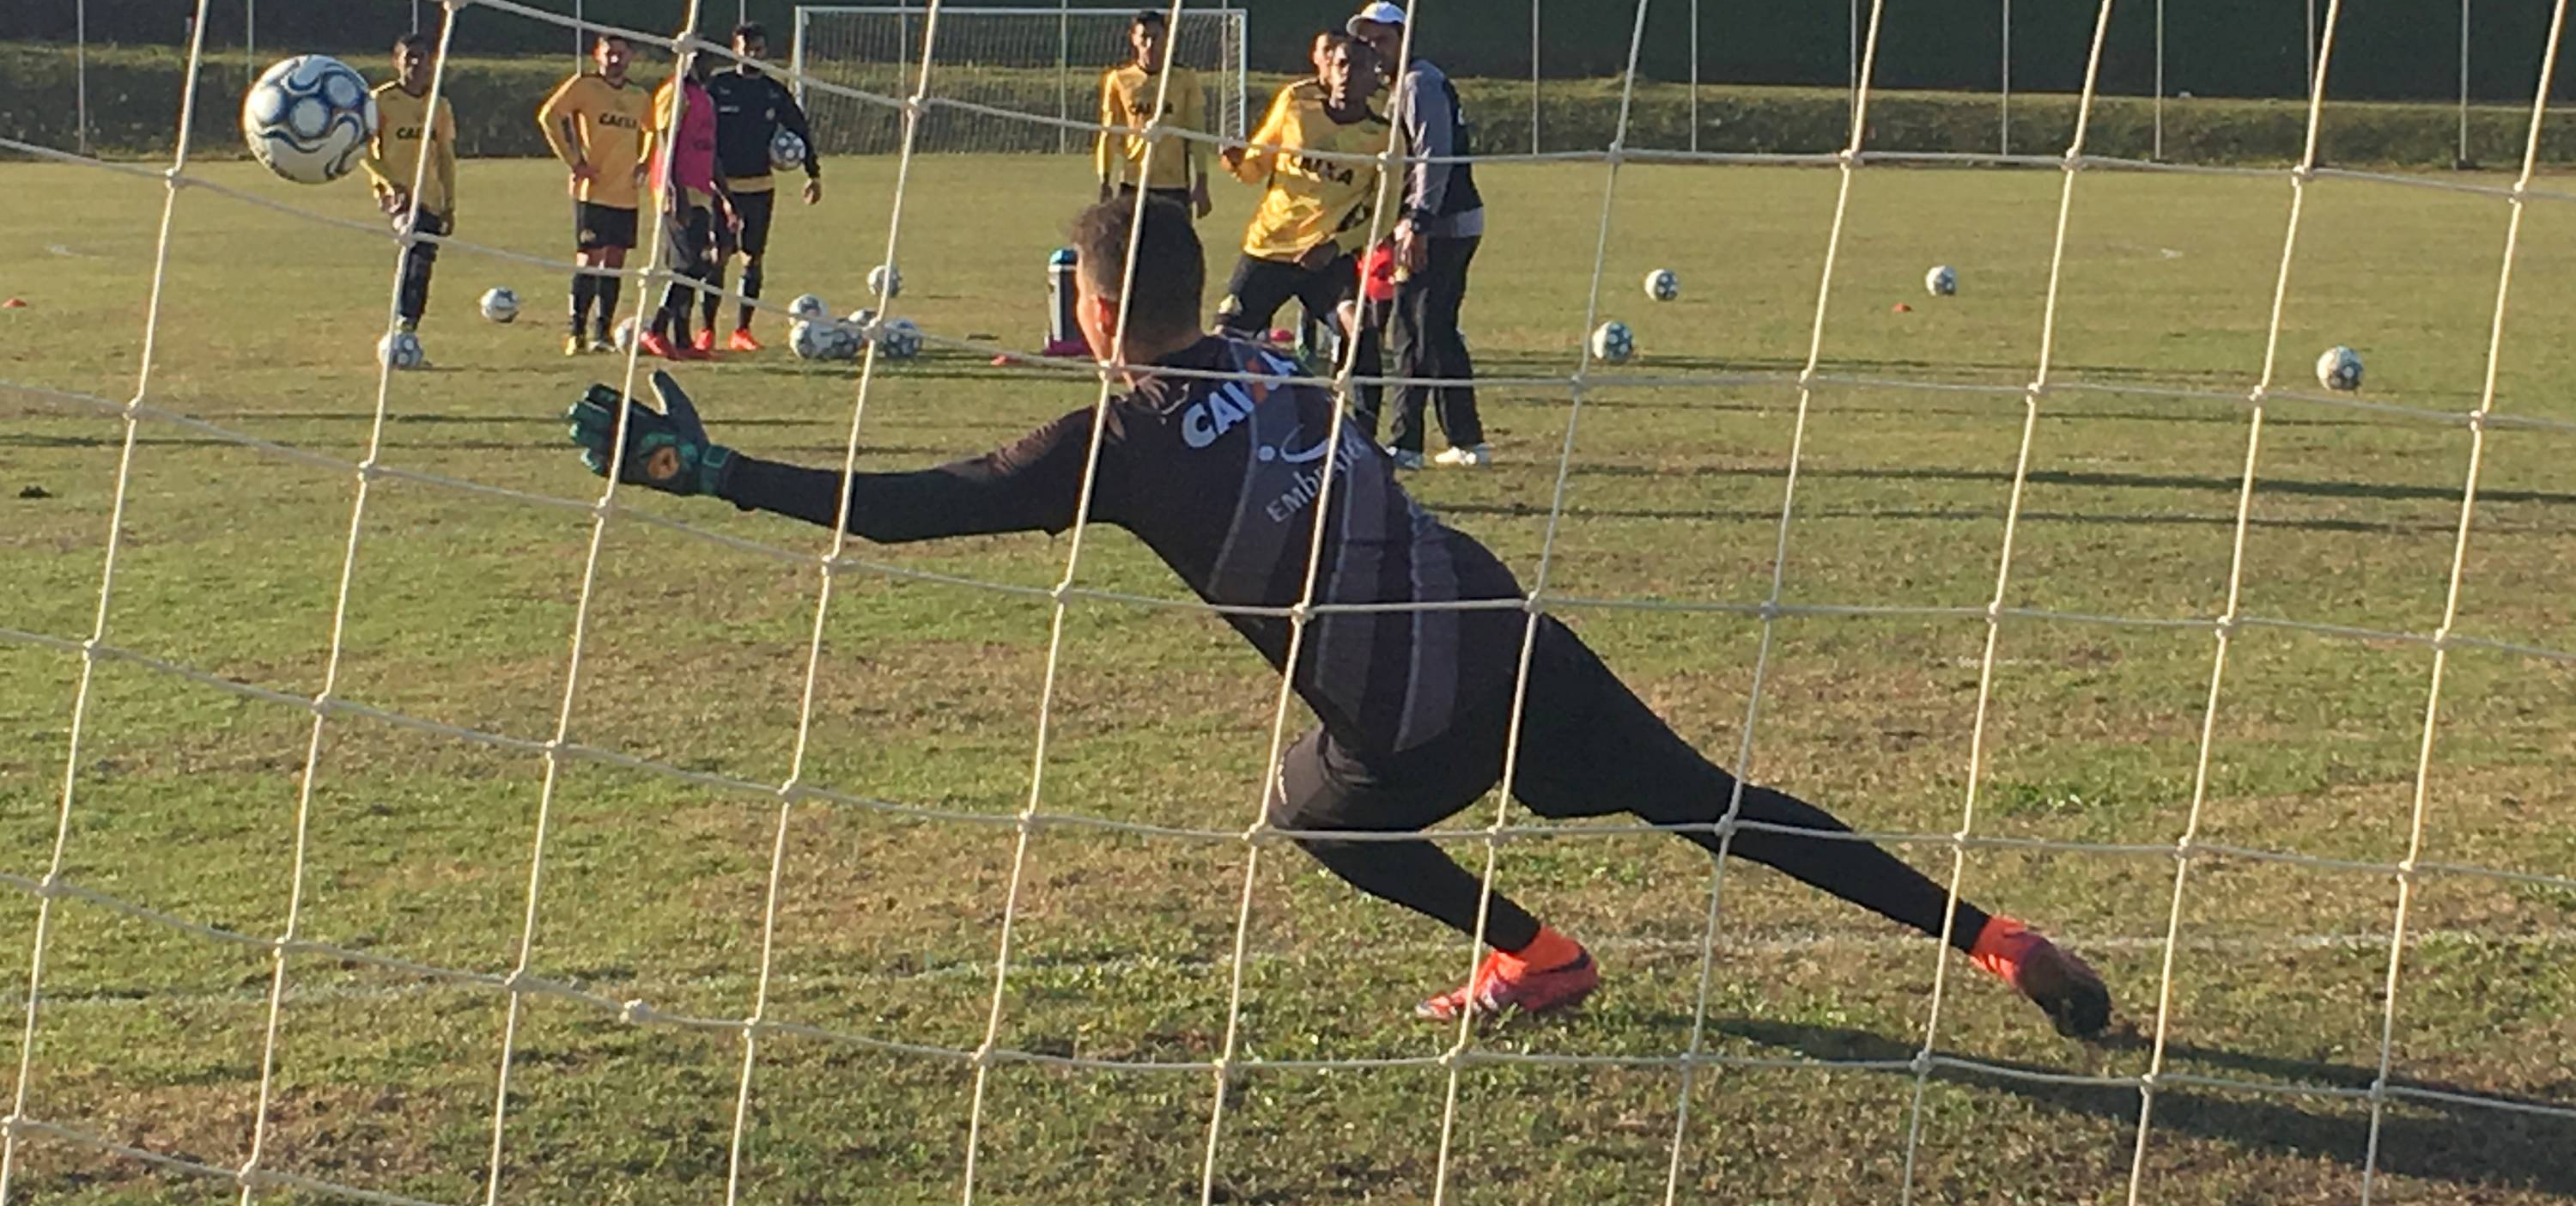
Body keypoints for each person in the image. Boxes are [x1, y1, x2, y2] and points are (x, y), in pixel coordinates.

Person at [562, 197, 2111, 1037]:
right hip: (1509, 634)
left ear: (1090, 313)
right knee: (1717, 803)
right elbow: (1280, 312)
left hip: (1409, 723)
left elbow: (911, 506)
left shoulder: (1114, 438)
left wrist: (717, 475)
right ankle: (1997, 939)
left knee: (1311, 810)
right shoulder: (1271, 356)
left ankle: (1538, 953)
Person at [1216, 31, 1390, 433]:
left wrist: (1337, 246)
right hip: (1269, 248)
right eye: (1341, 64)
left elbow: (1385, 212)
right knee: (1224, 342)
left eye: (1358, 67)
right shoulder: (1295, 104)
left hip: (1325, 259)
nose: (1347, 74)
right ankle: (1223, 436)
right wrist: (1236, 160)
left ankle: (1363, 436)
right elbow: (1255, 168)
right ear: (1328, 69)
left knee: (1360, 331)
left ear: (1374, 78)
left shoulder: (1384, 137)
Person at [1348, 0, 1488, 471]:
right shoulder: (1398, 86)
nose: (1374, 48)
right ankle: (1467, 440)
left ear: (1404, 39)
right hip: (1438, 223)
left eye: (1382, 39)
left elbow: (1433, 155)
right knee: (1437, 331)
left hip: (1442, 226)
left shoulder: (1417, 82)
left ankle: (1405, 444)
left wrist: (1418, 221)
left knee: (1413, 330)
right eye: (1366, 40)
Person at [702, 21, 822, 352]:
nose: (752, 55)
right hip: (722, 187)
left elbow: (801, 130)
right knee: (719, 256)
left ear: (766, 51)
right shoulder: (718, 86)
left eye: (758, 49)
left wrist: (813, 174)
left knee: (753, 258)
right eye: (746, 49)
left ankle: (742, 331)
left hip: (760, 187)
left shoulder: (773, 91)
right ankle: (707, 329)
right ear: (735, 50)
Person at [537, 34, 647, 356]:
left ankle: (603, 333)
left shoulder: (639, 96)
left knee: (615, 262)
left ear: (631, 57)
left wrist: (645, 161)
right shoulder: (584, 86)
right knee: (589, 259)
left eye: (621, 54)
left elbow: (654, 130)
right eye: (609, 53)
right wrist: (574, 162)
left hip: (626, 194)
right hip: (593, 192)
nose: (615, 59)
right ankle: (577, 332)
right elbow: (549, 117)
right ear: (597, 55)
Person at [359, 31, 458, 362]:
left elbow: (445, 157)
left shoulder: (439, 104)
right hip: (398, 198)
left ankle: (409, 326)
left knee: (424, 260)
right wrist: (390, 185)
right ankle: (403, 323)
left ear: (432, 63)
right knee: (414, 247)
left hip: (430, 196)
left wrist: (449, 204)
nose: (416, 63)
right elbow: (362, 151)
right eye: (409, 57)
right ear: (397, 62)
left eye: (422, 57)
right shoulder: (381, 100)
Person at [638, 46, 735, 362]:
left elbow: (710, 149)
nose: (705, 67)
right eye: (697, 60)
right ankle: (656, 329)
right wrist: (673, 189)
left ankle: (682, 340)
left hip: (701, 189)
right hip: (679, 189)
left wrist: (726, 194)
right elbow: (666, 139)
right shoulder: (674, 93)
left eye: (708, 60)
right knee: (689, 264)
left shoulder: (704, 97)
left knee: (699, 263)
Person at [1094, 8, 1212, 219]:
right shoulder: (1119, 80)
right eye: (1144, 38)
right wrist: (1105, 181)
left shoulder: (1184, 79)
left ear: (1167, 39)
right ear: (1133, 39)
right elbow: (1109, 134)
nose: (1150, 45)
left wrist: (1202, 182)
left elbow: (1197, 133)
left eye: (1156, 38)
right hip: (1133, 183)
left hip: (1174, 186)